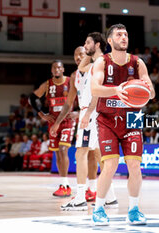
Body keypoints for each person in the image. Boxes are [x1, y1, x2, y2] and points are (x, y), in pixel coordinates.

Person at [91, 24, 155, 225]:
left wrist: (144, 90)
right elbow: (95, 88)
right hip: (107, 119)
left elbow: (151, 92)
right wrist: (117, 90)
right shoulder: (102, 62)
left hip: (132, 119)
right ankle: (99, 208)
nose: (123, 37)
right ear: (110, 40)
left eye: (126, 34)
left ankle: (134, 209)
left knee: (135, 166)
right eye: (119, 34)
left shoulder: (137, 63)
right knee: (109, 165)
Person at [53, 34, 116, 211]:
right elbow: (81, 66)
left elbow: (97, 91)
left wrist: (88, 112)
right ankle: (110, 196)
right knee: (97, 155)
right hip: (90, 112)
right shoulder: (89, 65)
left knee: (80, 153)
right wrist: (88, 51)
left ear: (96, 45)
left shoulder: (100, 64)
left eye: (87, 43)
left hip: (92, 111)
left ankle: (80, 198)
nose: (84, 45)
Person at [29, 60, 76, 197]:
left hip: (67, 121)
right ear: (51, 70)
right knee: (57, 153)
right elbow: (32, 98)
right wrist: (41, 114)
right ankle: (63, 184)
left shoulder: (70, 82)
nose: (56, 70)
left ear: (63, 69)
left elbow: (83, 97)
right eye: (54, 68)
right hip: (53, 122)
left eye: (59, 67)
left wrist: (78, 112)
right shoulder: (47, 84)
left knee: (63, 149)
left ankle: (66, 185)